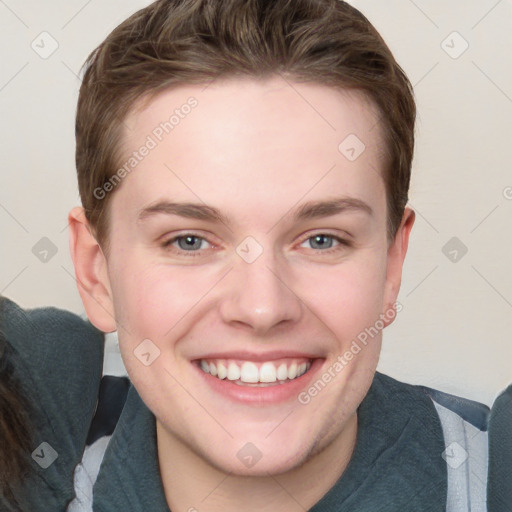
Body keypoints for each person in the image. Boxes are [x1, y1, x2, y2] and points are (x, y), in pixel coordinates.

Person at [0, 0, 509, 510]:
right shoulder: (35, 427)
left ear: (392, 266)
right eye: (189, 241)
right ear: (97, 273)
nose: (262, 308)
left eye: (321, 239)